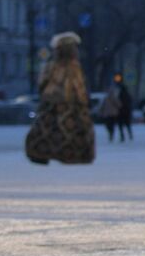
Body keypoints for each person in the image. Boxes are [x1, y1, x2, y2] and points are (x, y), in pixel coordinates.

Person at [25, 32, 95, 165]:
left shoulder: (52, 65)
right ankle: (72, 155)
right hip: (72, 104)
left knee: (46, 129)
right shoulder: (74, 66)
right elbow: (79, 87)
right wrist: (83, 101)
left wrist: (46, 95)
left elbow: (43, 83)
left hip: (52, 103)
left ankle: (41, 153)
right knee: (73, 129)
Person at [114, 74, 134, 142]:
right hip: (126, 112)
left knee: (121, 125)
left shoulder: (120, 95)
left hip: (121, 111)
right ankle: (130, 134)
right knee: (127, 124)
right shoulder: (128, 95)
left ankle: (122, 136)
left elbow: (117, 103)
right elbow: (130, 102)